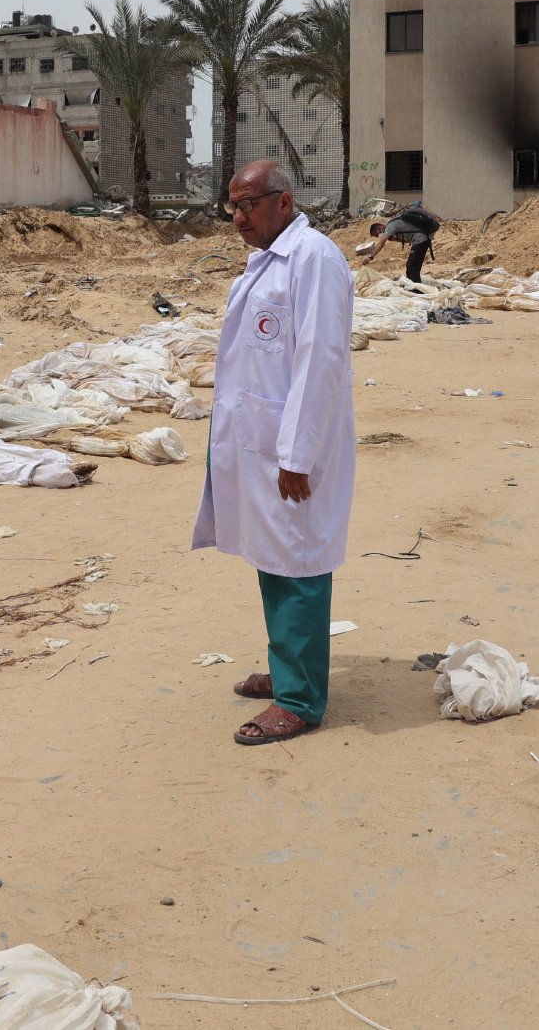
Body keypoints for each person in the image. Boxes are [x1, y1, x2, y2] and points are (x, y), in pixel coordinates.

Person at [192, 160, 356, 745]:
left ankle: (301, 700)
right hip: (261, 441)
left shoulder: (313, 259)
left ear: (282, 202)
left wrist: (297, 454)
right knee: (273, 554)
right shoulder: (266, 260)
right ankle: (289, 667)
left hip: (292, 447)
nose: (237, 217)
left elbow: (320, 361)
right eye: (232, 206)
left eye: (248, 205)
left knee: (299, 562)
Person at [361, 208, 438, 283]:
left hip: (420, 240)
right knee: (412, 266)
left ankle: (416, 288)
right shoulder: (394, 227)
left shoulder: (390, 225)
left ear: (379, 228)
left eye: (377, 235)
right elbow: (408, 239)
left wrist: (370, 257)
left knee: (412, 266)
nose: (379, 236)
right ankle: (415, 285)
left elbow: (381, 242)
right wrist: (394, 239)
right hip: (421, 240)